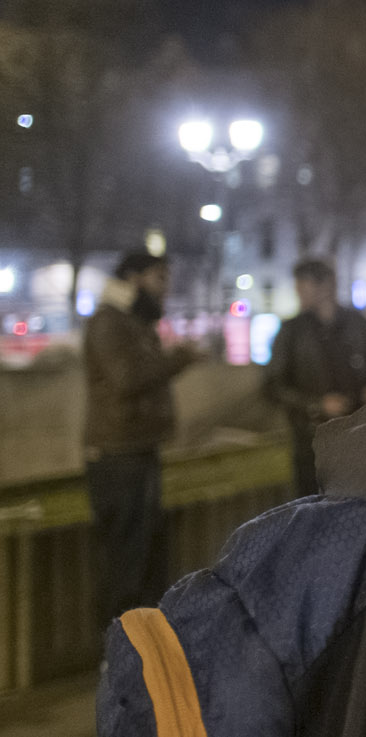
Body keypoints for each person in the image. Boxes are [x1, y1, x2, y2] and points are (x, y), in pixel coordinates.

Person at [83, 251, 202, 628]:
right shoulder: (109, 321)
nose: (165, 288)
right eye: (159, 278)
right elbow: (127, 378)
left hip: (137, 449)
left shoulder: (132, 322)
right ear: (134, 278)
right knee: (125, 564)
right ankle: (116, 656)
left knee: (145, 559)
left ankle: (140, 654)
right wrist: (180, 358)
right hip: (118, 456)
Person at [264, 259, 366, 496]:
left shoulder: (360, 324)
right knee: (314, 507)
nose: (298, 291)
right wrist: (317, 404)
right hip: (312, 442)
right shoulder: (291, 331)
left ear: (326, 285)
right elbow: (273, 386)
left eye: (304, 285)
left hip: (358, 435)